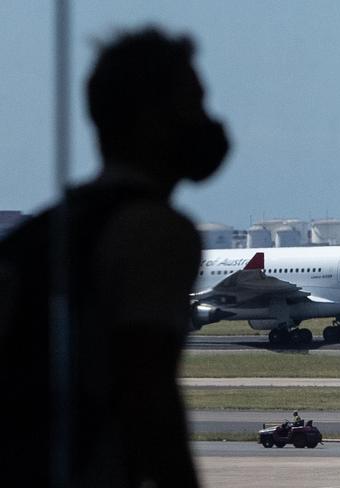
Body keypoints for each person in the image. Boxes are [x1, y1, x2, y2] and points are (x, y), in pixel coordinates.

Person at [0, 27, 229, 487]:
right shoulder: (155, 230)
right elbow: (148, 395)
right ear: (151, 120)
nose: (207, 121)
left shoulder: (39, 235)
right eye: (193, 104)